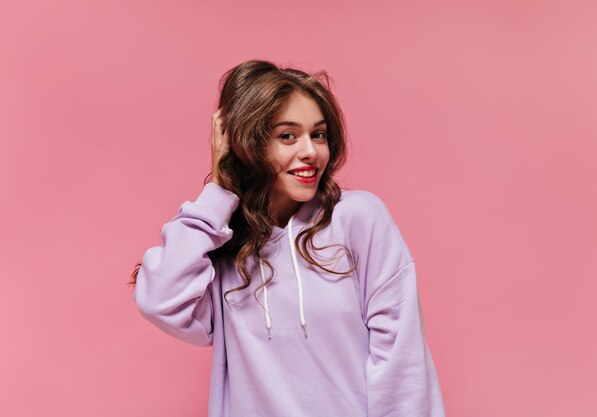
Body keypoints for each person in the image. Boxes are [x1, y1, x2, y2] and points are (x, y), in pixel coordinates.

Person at [129, 59, 446, 417]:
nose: (311, 151)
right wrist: (219, 189)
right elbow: (161, 302)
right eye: (287, 136)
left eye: (319, 134)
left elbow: (401, 363)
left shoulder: (358, 218)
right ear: (246, 145)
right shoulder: (225, 244)